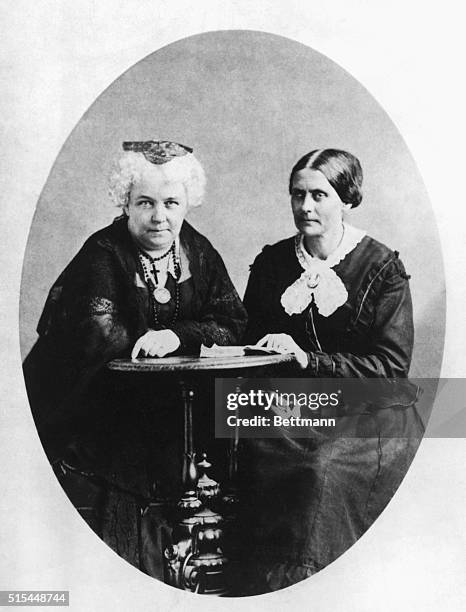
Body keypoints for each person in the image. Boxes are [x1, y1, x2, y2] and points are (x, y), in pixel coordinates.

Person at [23, 140, 247, 570]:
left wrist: (176, 336)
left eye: (171, 203)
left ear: (187, 204)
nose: (159, 216)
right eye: (145, 202)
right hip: (101, 405)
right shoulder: (102, 254)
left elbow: (233, 321)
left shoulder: (197, 250)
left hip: (181, 405)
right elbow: (99, 337)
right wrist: (157, 338)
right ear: (125, 203)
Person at [239, 148, 423, 594]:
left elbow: (392, 368)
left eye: (319, 195)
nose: (305, 207)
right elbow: (247, 344)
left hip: (369, 411)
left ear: (347, 199)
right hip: (288, 411)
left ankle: (318, 589)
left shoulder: (381, 268)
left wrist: (307, 359)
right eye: (297, 194)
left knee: (320, 469)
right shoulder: (272, 264)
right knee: (251, 447)